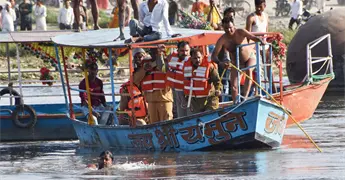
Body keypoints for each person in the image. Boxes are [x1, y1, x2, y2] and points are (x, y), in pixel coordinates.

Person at [211, 17, 265, 103]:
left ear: (234, 26)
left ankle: (245, 98)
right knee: (234, 86)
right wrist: (220, 63)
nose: (229, 30)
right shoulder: (222, 40)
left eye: (230, 27)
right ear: (223, 28)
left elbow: (253, 37)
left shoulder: (241, 32)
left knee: (248, 69)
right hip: (236, 62)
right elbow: (213, 56)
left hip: (249, 57)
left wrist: (260, 41)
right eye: (226, 28)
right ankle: (235, 103)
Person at [137, 48, 174, 124]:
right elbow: (136, 79)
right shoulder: (145, 63)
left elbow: (164, 69)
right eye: (152, 51)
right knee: (153, 123)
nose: (154, 53)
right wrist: (146, 68)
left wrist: (159, 58)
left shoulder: (167, 61)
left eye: (157, 51)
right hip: (151, 100)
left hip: (164, 98)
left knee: (167, 122)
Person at [183, 48, 222, 114]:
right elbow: (186, 82)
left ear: (202, 57)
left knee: (210, 117)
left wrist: (218, 89)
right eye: (195, 58)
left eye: (199, 57)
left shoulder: (210, 66)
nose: (197, 60)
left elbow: (217, 81)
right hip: (194, 101)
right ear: (191, 58)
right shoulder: (187, 67)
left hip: (209, 99)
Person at [118, 48, 148, 126]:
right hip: (135, 119)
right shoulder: (127, 89)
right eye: (136, 57)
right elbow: (122, 110)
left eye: (140, 57)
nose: (138, 59)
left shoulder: (149, 82)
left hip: (150, 116)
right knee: (142, 124)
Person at [166, 41, 190, 117]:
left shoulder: (192, 61)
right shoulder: (172, 58)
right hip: (174, 91)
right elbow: (164, 68)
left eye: (186, 51)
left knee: (186, 114)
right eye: (182, 51)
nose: (185, 53)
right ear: (178, 50)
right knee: (177, 114)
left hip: (187, 92)